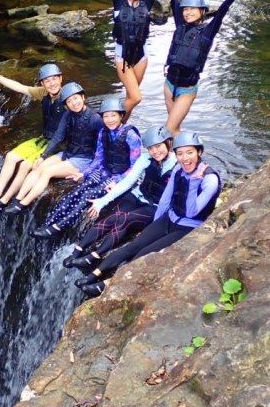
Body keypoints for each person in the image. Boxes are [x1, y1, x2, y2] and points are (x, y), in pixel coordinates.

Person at [74, 131, 222, 298]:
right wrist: (155, 225)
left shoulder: (209, 179)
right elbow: (166, 198)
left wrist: (194, 183)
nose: (184, 158)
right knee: (134, 245)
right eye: (180, 153)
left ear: (199, 152)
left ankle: (107, 284)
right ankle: (94, 274)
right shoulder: (179, 170)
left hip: (187, 227)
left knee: (144, 254)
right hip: (168, 219)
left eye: (190, 152)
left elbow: (191, 211)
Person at [158, 0, 267, 135]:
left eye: (193, 9)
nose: (187, 12)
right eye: (186, 9)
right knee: (174, 127)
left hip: (187, 88)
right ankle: (181, 159)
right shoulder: (180, 25)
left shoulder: (208, 31)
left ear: (202, 11)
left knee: (168, 128)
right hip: (169, 84)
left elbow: (224, 8)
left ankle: (174, 159)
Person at [63, 125, 177, 268]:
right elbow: (127, 182)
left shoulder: (177, 165)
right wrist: (102, 202)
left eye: (158, 146)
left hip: (154, 206)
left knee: (125, 219)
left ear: (168, 143)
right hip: (138, 195)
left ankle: (95, 255)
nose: (155, 151)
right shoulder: (146, 158)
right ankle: (77, 251)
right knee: (112, 216)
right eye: (151, 148)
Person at [31, 97, 142, 238]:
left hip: (120, 177)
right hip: (104, 171)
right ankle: (49, 223)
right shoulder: (103, 132)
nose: (110, 119)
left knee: (86, 197)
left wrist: (118, 181)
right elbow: (99, 158)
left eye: (113, 115)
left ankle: (59, 226)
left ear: (121, 115)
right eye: (106, 116)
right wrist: (84, 173)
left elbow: (136, 166)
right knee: (76, 192)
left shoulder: (131, 136)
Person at [95, 0, 177, 120]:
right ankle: (109, 125)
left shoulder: (147, 3)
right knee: (136, 97)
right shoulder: (118, 1)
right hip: (122, 55)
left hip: (141, 56)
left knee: (130, 96)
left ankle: (119, 128)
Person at [0, 61, 67, 217]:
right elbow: (20, 87)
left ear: (61, 79)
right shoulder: (43, 93)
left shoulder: (69, 98)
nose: (51, 83)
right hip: (44, 138)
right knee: (11, 156)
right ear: (42, 84)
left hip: (59, 144)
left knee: (25, 165)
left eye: (54, 79)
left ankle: (3, 202)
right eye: (47, 80)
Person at [3, 82, 104, 215]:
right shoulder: (67, 115)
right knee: (39, 167)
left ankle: (24, 203)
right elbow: (57, 138)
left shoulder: (95, 119)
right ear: (66, 105)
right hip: (68, 152)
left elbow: (104, 146)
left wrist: (88, 172)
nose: (74, 103)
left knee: (47, 172)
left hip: (83, 159)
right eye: (69, 101)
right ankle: (17, 199)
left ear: (83, 97)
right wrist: (43, 156)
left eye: (76, 98)